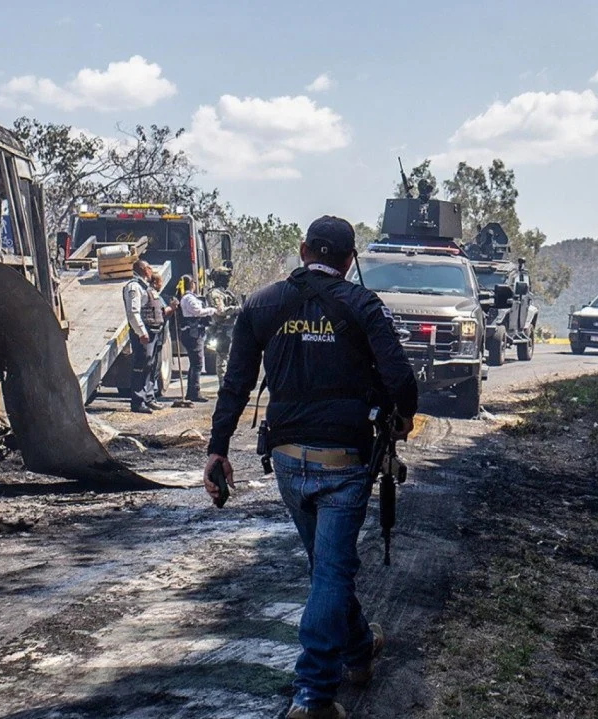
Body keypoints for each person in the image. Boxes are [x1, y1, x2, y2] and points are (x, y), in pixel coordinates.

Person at [204, 216, 418, 719]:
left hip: (285, 461)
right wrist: (400, 421)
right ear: (349, 260)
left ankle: (360, 650)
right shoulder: (363, 305)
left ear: (303, 250)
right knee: (330, 574)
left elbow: (235, 383)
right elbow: (402, 382)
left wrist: (217, 450)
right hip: (343, 463)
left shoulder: (261, 304)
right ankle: (313, 698)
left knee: (328, 570)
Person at [122, 260, 162, 414]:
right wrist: (141, 332)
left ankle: (148, 398)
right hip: (143, 333)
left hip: (152, 331)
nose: (151, 270)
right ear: (144, 269)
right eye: (149, 267)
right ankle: (138, 402)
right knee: (141, 366)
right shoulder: (134, 287)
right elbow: (133, 312)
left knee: (149, 366)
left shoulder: (146, 287)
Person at [177, 274, 217, 403]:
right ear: (191, 284)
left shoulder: (187, 298)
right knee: (197, 363)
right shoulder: (189, 298)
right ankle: (194, 392)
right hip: (193, 334)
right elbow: (198, 311)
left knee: (195, 363)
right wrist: (211, 310)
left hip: (192, 333)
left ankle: (192, 391)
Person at [148, 274, 175, 400]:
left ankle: (150, 395)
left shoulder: (154, 294)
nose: (161, 285)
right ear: (154, 282)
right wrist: (173, 307)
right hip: (156, 336)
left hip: (157, 336)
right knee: (154, 366)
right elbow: (163, 312)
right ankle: (150, 395)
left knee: (155, 365)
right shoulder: (154, 295)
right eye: (160, 282)